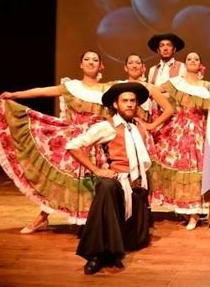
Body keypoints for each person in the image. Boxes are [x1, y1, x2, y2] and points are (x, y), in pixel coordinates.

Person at [0, 50, 111, 233]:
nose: (90, 62)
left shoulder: (108, 89)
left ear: (101, 65)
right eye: (86, 59)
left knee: (93, 183)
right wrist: (14, 95)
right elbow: (42, 92)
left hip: (96, 142)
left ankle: (92, 221)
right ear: (80, 65)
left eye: (95, 60)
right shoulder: (71, 87)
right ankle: (42, 218)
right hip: (73, 140)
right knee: (59, 179)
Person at [66, 82, 154, 275]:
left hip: (137, 187)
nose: (130, 104)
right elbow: (73, 145)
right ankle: (96, 254)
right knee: (106, 186)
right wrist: (96, 169)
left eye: (133, 101)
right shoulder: (107, 126)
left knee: (138, 242)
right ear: (116, 104)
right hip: (118, 183)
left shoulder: (138, 125)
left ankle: (114, 247)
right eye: (125, 101)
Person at [150, 52, 210, 230]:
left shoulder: (206, 85)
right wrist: (167, 107)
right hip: (179, 128)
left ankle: (194, 212)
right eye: (189, 59)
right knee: (179, 168)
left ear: (200, 65)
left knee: (195, 170)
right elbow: (154, 90)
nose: (192, 61)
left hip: (199, 129)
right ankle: (186, 209)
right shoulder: (177, 82)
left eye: (196, 59)